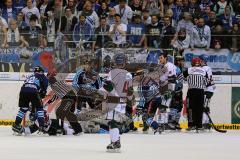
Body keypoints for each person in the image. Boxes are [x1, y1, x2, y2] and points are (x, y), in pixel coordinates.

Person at [104, 53, 133, 151]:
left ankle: (116, 142)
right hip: (123, 101)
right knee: (114, 122)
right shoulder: (129, 74)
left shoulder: (112, 72)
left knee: (112, 122)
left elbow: (108, 86)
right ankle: (114, 141)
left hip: (113, 100)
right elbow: (130, 90)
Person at [12, 66, 48, 134]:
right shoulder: (43, 76)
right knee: (39, 108)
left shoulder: (30, 76)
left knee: (23, 108)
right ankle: (42, 126)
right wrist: (42, 93)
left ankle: (16, 125)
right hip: (33, 90)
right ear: (41, 71)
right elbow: (44, 87)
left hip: (23, 91)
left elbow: (26, 83)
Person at [183, 57, 207, 132]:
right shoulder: (204, 71)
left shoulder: (188, 70)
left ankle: (191, 125)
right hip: (200, 92)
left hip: (191, 91)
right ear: (199, 63)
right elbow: (206, 82)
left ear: (192, 63)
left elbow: (183, 78)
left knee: (190, 108)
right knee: (199, 109)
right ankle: (199, 125)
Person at [199, 55, 215, 129]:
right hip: (208, 90)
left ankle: (205, 123)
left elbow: (208, 80)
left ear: (203, 61)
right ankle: (207, 123)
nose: (199, 61)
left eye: (200, 60)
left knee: (204, 106)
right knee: (205, 106)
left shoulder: (206, 68)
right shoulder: (205, 68)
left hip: (207, 90)